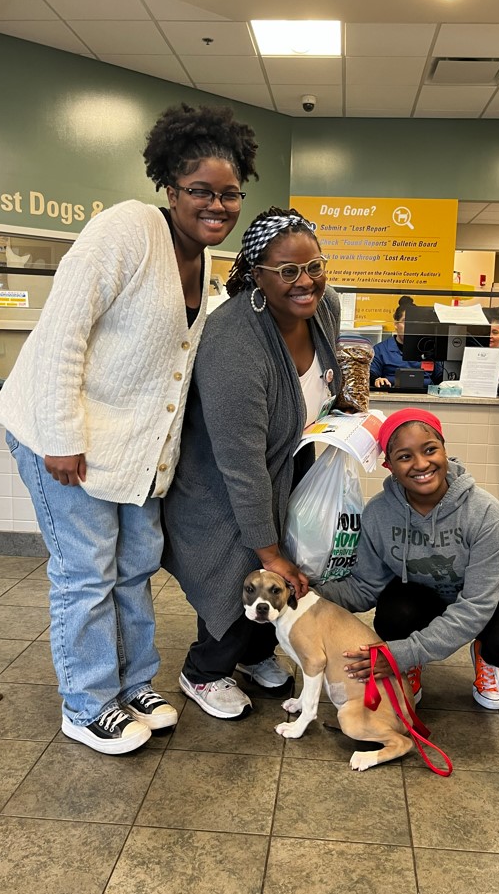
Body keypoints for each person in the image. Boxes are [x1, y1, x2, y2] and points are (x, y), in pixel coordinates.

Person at [0, 102, 259, 754]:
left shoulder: (209, 270)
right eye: (201, 190)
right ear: (170, 186)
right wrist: (60, 434)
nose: (217, 205)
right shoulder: (127, 230)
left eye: (229, 193)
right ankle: (85, 703)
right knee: (86, 571)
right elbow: (63, 330)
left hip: (133, 459)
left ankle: (133, 684)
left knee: (134, 567)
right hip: (66, 440)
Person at [161, 207, 342, 720]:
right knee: (240, 573)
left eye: (314, 265)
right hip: (219, 485)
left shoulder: (324, 306)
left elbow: (323, 378)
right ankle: (204, 671)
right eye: (287, 271)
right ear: (256, 272)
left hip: (284, 471)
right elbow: (240, 466)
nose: (306, 281)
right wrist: (269, 551)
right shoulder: (234, 340)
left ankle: (256, 653)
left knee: (285, 573)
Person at [317, 408, 499, 710]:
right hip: (420, 596)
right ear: (389, 465)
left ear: (444, 450)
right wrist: (306, 589)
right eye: (404, 456)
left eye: (430, 450)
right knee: (393, 614)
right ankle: (413, 667)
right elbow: (364, 589)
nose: (421, 464)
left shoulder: (485, 513)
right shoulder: (379, 514)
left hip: (480, 597)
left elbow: (476, 605)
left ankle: (485, 653)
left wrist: (402, 654)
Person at [370, 296, 442, 389]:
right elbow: (371, 374)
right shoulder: (381, 350)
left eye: (414, 323)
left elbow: (441, 377)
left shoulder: (430, 350)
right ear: (396, 324)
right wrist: (377, 380)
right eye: (405, 322)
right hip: (392, 398)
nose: (410, 327)